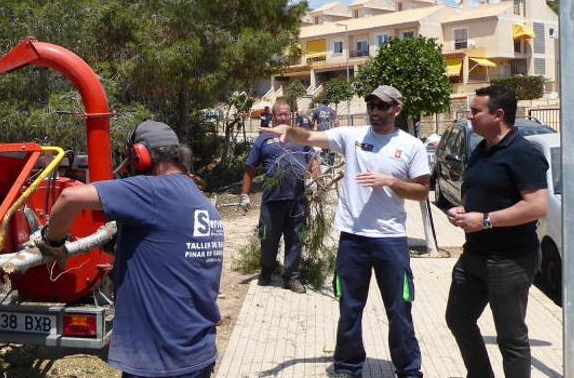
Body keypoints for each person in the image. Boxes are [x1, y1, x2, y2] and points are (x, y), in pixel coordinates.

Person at [260, 85, 430, 378]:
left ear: (396, 110)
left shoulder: (411, 145)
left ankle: (409, 370)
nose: (375, 111)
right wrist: (287, 130)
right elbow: (311, 137)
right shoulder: (352, 137)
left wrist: (390, 181)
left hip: (390, 240)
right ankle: (348, 367)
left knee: (399, 310)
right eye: (371, 105)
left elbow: (421, 191)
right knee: (349, 307)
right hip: (352, 238)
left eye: (382, 106)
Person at [34, 120, 222, 378]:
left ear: (140, 156)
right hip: (196, 351)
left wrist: (52, 242)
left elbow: (70, 198)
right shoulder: (200, 200)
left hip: (159, 359)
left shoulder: (153, 191)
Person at [444, 85, 549, 378]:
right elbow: (477, 192)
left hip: (510, 260)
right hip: (474, 255)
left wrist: (486, 220)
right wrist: (463, 210)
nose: (470, 116)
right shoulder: (481, 149)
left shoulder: (522, 153)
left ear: (498, 115)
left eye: (476, 111)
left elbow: (538, 206)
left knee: (511, 339)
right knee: (458, 319)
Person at [240, 101, 319, 292]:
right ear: (273, 116)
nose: (283, 117)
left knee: (296, 238)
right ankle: (267, 270)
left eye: (286, 114)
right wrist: (244, 194)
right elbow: (249, 168)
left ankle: (291, 277)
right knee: (268, 237)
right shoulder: (263, 139)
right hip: (272, 200)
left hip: (297, 199)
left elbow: (313, 160)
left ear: (290, 115)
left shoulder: (299, 136)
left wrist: (316, 180)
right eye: (279, 115)